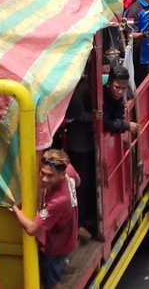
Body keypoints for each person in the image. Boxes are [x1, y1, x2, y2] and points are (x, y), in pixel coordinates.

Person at [12, 148, 80, 289]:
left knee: (52, 283)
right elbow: (78, 181)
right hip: (67, 237)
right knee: (56, 268)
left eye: (50, 176)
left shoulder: (58, 201)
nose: (44, 179)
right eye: (42, 173)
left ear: (61, 175)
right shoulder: (69, 170)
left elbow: (31, 229)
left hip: (57, 246)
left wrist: (15, 209)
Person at [65, 75, 96, 239]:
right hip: (79, 145)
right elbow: (73, 117)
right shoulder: (79, 90)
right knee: (81, 186)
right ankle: (79, 223)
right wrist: (93, 116)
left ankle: (84, 219)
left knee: (85, 184)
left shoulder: (82, 86)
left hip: (83, 144)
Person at [103, 65, 139, 134]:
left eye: (123, 88)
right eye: (117, 87)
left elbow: (119, 118)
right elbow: (103, 124)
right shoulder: (101, 98)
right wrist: (126, 125)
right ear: (109, 83)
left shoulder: (118, 98)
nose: (120, 92)